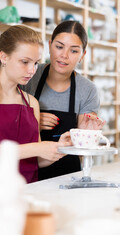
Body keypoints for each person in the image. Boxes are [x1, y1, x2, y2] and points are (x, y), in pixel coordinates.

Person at [0, 25, 72, 183]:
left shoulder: (31, 102)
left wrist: (59, 149)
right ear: (4, 57)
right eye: (25, 62)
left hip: (29, 190)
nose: (32, 70)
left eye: (35, 63)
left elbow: (34, 162)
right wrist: (37, 148)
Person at [21, 21, 104, 180]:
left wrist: (88, 134)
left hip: (69, 176)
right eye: (59, 47)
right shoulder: (28, 76)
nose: (64, 55)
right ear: (50, 45)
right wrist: (33, 120)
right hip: (29, 172)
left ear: (83, 55)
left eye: (74, 51)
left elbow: (82, 145)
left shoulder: (87, 90)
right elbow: (8, 128)